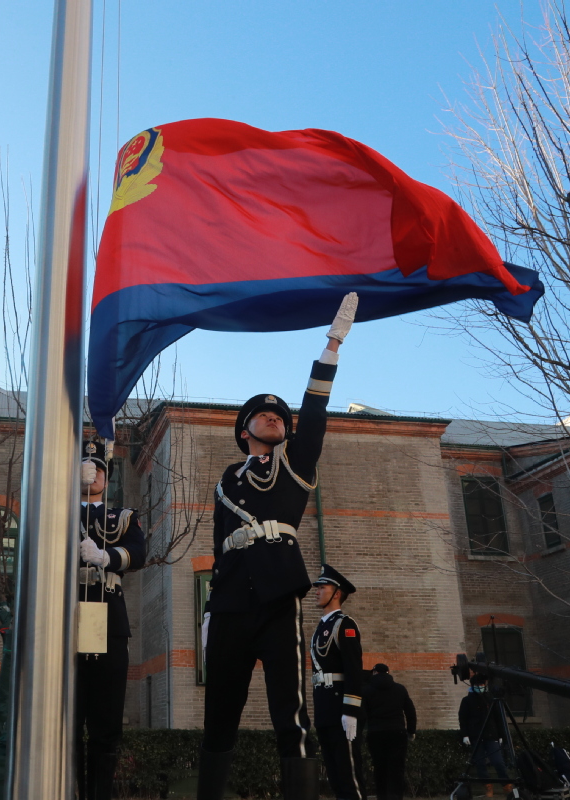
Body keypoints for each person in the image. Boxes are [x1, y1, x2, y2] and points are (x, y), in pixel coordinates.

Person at [197, 293, 359, 800]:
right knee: (219, 713)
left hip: (276, 598)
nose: (274, 419)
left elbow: (314, 411)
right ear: (244, 429)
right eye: (263, 415)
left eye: (279, 417)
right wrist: (209, 609)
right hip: (229, 602)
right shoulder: (227, 480)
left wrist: (331, 346)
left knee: (289, 712)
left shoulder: (294, 463)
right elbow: (219, 548)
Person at [75, 440, 146, 800]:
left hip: (108, 618)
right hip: (67, 618)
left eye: (100, 468)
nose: (94, 473)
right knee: (68, 720)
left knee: (106, 722)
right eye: (86, 467)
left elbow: (139, 553)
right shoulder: (60, 513)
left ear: (108, 477)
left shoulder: (123, 517)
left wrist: (106, 556)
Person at [310, 564, 365, 800]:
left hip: (341, 708)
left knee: (348, 775)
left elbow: (353, 670)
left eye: (323, 587)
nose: (317, 591)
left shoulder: (345, 625)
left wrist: (350, 711)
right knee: (334, 775)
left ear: (337, 593)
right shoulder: (322, 626)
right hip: (325, 708)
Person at [363, 663, 417, 800]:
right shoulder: (400, 689)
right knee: (397, 769)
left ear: (374, 672)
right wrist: (411, 731)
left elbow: (362, 713)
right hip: (397, 732)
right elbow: (410, 711)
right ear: (388, 672)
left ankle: (382, 796)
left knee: (379, 768)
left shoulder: (367, 690)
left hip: (376, 733)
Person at [459, 673, 512, 798]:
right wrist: (465, 735)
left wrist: (501, 735)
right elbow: (463, 719)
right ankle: (488, 786)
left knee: (498, 761)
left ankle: (506, 784)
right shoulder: (467, 701)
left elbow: (498, 718)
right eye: (478, 685)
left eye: (482, 684)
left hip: (491, 735)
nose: (480, 687)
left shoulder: (491, 699)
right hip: (476, 736)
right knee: (480, 763)